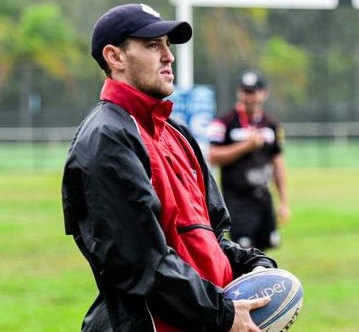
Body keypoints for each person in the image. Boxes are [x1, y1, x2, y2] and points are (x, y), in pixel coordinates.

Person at [62, 4, 279, 332]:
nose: (169, 56)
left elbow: (209, 237)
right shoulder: (106, 138)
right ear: (115, 57)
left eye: (167, 45)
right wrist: (221, 313)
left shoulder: (176, 133)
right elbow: (140, 262)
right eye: (152, 45)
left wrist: (253, 266)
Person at [207, 70, 290, 251]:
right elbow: (213, 155)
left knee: (265, 250)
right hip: (237, 201)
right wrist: (246, 145)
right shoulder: (224, 122)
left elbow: (278, 162)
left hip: (263, 199)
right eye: (245, 92)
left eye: (253, 92)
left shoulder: (272, 125)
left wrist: (283, 201)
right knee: (244, 251)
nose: (249, 97)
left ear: (264, 93)